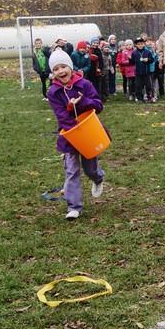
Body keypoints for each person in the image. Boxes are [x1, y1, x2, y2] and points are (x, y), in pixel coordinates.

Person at [46, 49, 106, 220]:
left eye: (63, 66)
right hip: (70, 135)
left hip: (88, 132)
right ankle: (74, 207)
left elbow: (98, 106)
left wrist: (83, 103)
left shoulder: (85, 84)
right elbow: (61, 116)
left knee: (90, 169)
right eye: (56, 69)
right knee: (71, 170)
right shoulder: (53, 92)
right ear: (53, 73)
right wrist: (70, 110)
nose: (61, 71)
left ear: (70, 67)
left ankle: (98, 178)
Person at [131, 37, 154, 102]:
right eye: (138, 44)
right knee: (138, 85)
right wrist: (130, 59)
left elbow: (152, 60)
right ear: (136, 45)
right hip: (138, 72)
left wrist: (148, 60)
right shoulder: (134, 53)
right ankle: (139, 98)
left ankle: (149, 97)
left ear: (144, 44)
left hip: (146, 72)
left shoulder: (147, 52)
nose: (140, 45)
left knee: (148, 85)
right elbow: (132, 62)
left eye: (141, 44)